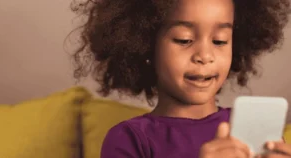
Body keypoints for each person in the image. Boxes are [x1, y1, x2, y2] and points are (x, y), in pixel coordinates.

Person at [71, 0, 290, 157]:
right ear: (146, 47)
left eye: (220, 41)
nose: (205, 56)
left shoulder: (248, 128)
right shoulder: (129, 139)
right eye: (184, 40)